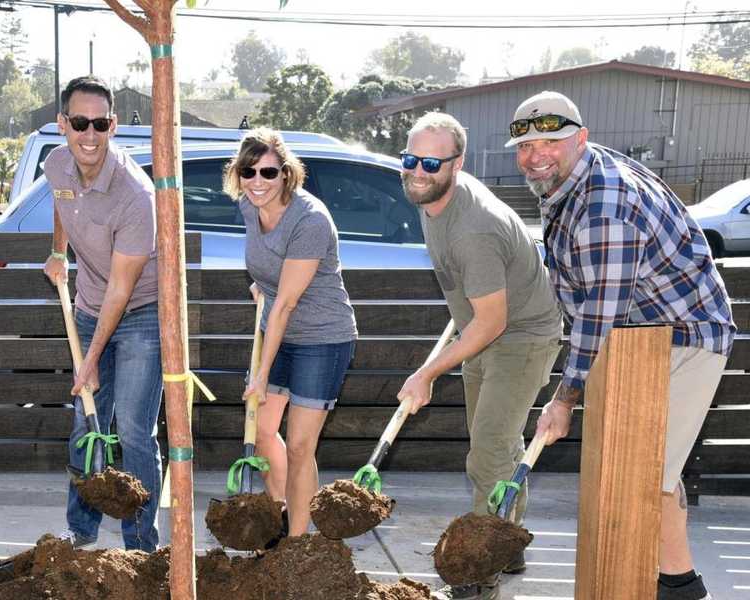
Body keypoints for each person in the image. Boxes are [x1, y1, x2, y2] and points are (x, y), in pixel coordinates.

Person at [509, 91, 735, 600]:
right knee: (652, 470)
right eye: (523, 146)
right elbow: (581, 290)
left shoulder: (604, 206)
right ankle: (678, 582)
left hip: (683, 338)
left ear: (580, 138)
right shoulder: (572, 179)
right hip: (641, 341)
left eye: (549, 141)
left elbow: (600, 315)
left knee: (644, 474)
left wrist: (564, 399)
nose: (534, 155)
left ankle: (665, 587)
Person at [396, 113, 563, 600]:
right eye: (411, 159)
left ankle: (477, 575)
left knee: (488, 452)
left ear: (458, 162)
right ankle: (508, 543)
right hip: (484, 329)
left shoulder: (474, 228)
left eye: (431, 162)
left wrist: (427, 372)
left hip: (522, 334)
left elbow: (494, 322)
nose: (419, 171)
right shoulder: (431, 196)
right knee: (500, 441)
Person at [42, 75, 163, 551]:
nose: (88, 135)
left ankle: (140, 543)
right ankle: (82, 529)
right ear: (62, 125)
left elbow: (121, 290)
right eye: (79, 123)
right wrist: (58, 252)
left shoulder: (136, 194)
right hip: (91, 305)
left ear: (113, 126)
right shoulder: (57, 165)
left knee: (133, 430)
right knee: (86, 423)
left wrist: (89, 359)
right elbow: (62, 203)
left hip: (140, 313)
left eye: (98, 124)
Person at [224, 127, 357, 538]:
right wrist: (261, 283)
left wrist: (261, 374)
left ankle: (298, 543)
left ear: (286, 173)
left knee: (300, 446)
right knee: (262, 431)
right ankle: (282, 513)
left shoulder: (311, 219)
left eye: (267, 172)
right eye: (248, 172)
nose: (258, 182)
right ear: (238, 175)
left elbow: (287, 302)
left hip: (322, 337)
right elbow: (272, 280)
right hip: (279, 331)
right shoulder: (250, 207)